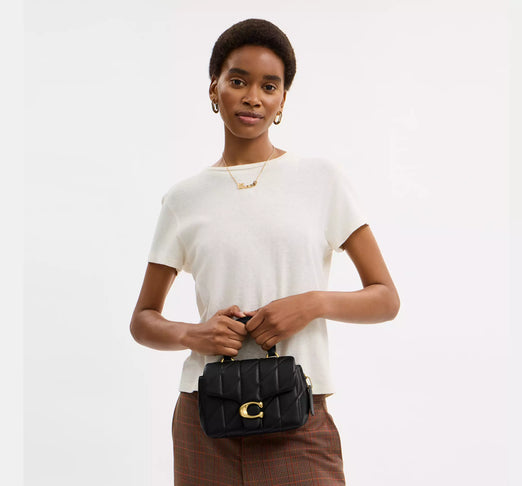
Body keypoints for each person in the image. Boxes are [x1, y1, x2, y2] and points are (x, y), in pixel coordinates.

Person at [130, 18, 400, 486]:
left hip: (298, 416)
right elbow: (143, 319)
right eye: (238, 81)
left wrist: (311, 304)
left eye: (268, 86)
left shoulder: (321, 180)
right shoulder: (183, 199)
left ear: (282, 101)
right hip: (205, 420)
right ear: (214, 89)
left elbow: (385, 298)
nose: (253, 97)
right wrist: (197, 334)